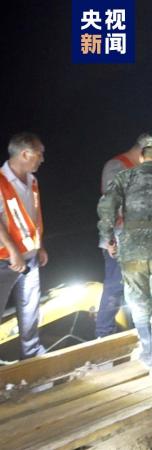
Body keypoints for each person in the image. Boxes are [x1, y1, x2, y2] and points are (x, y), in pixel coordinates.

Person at [97, 135, 152, 376]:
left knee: (138, 302)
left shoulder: (124, 177)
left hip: (131, 249)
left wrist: (108, 239)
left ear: (143, 155)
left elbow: (106, 208)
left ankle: (146, 353)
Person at [0, 132, 48, 359]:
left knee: (30, 310)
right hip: (5, 260)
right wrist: (12, 251)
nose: (42, 159)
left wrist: (40, 247)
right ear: (25, 153)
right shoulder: (0, 181)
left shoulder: (32, 180)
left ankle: (31, 355)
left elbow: (32, 216)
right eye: (40, 154)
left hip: (30, 257)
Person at [95, 133, 146, 338]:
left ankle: (140, 331)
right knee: (115, 287)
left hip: (136, 239)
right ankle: (103, 335)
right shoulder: (117, 166)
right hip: (118, 238)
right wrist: (108, 238)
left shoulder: (139, 169)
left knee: (138, 287)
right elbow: (110, 204)